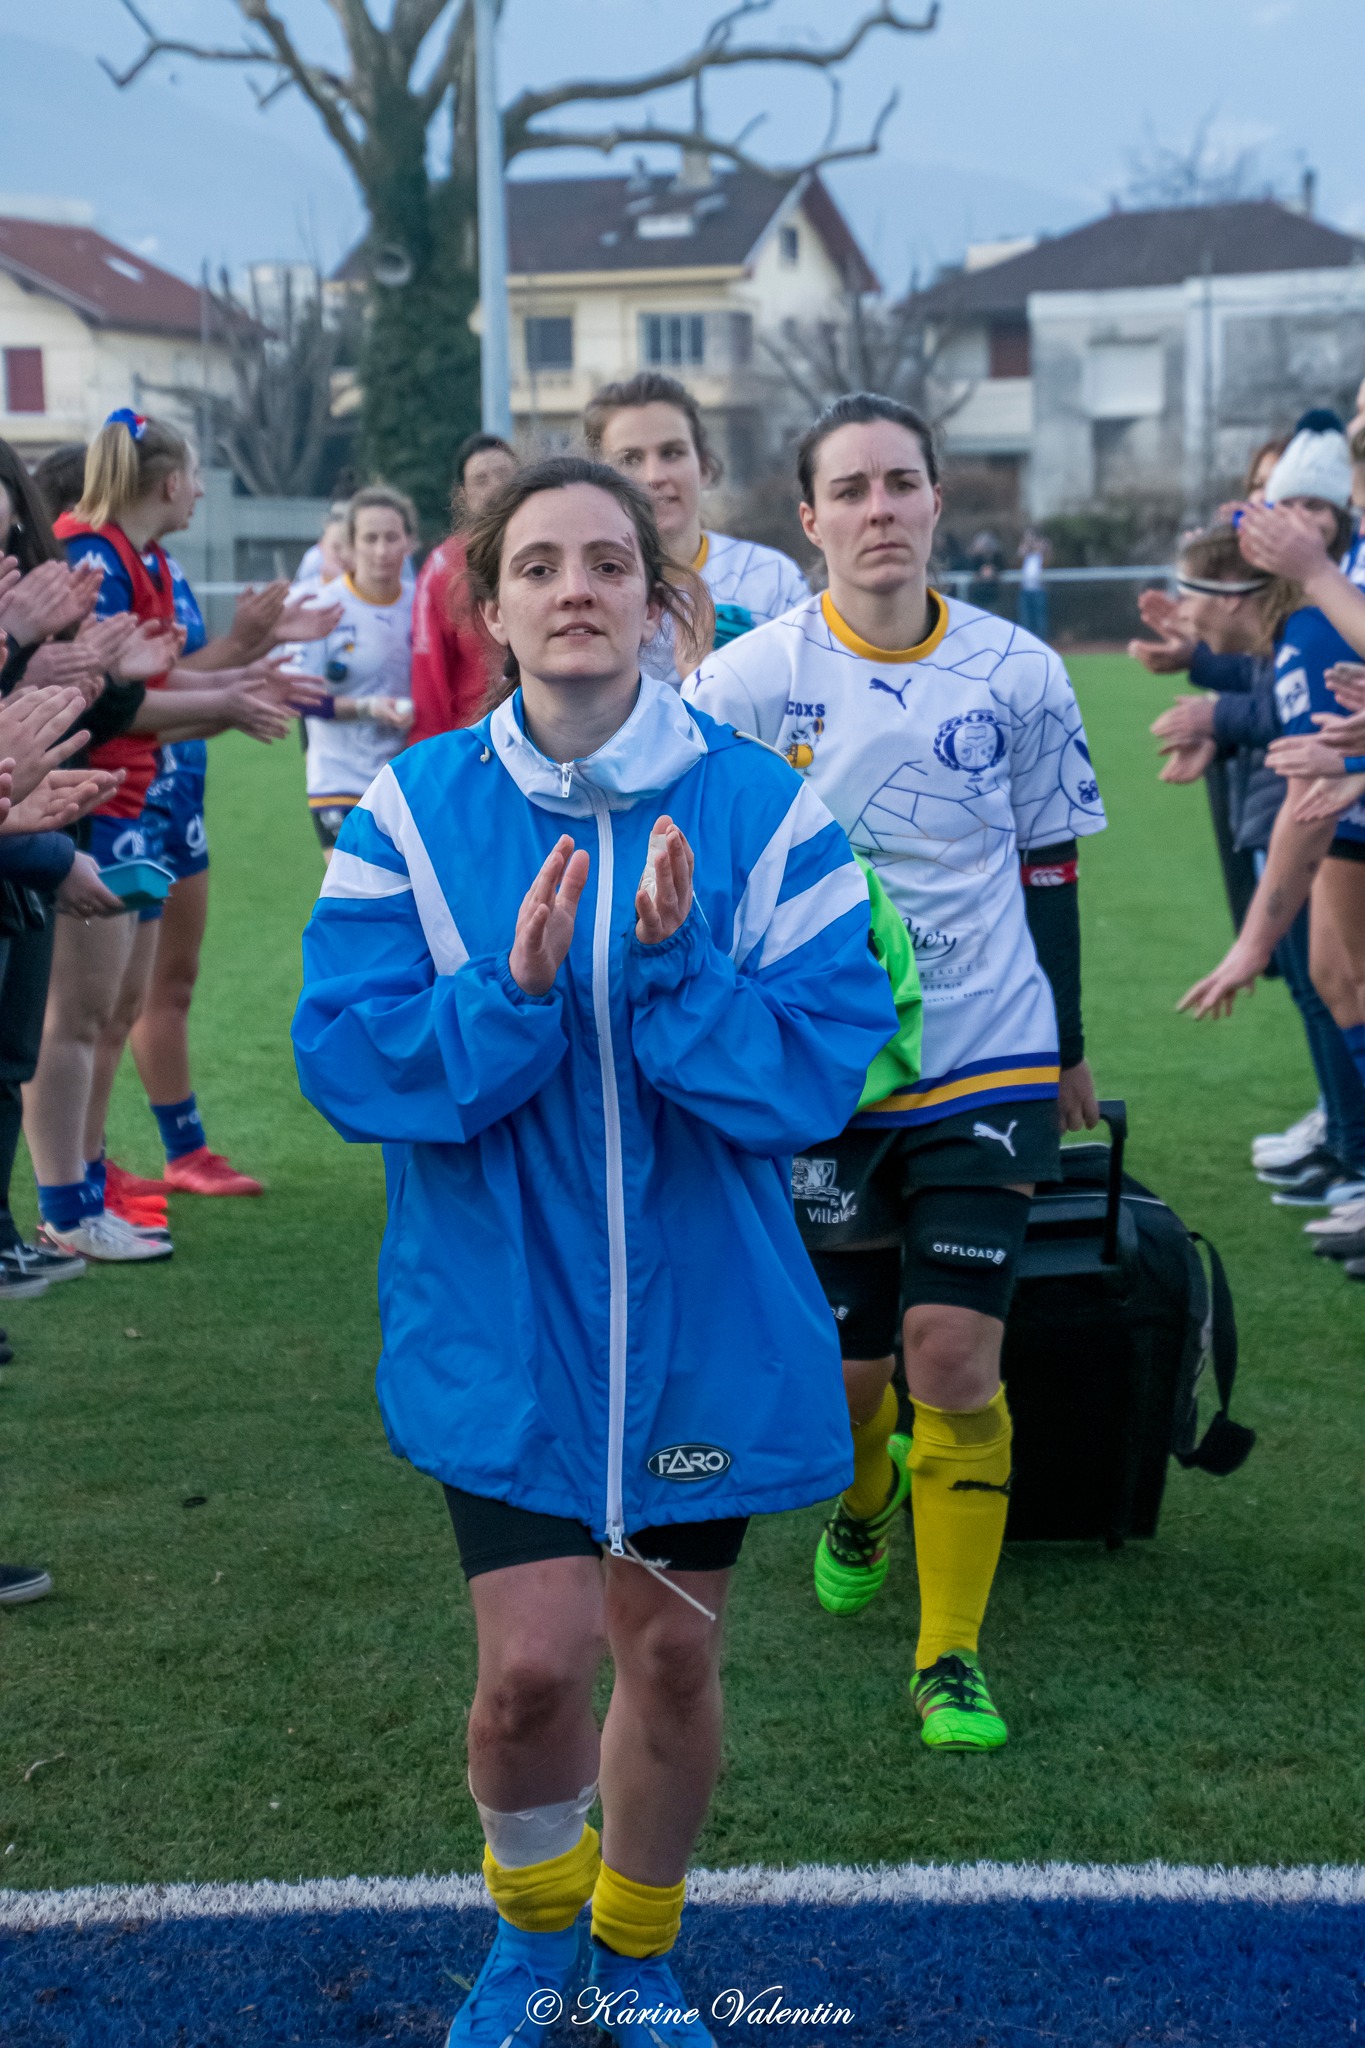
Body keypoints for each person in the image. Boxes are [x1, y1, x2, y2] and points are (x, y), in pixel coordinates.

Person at [293, 453, 897, 2045]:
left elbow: (819, 1070)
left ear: (656, 597)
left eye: (610, 565)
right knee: (533, 1676)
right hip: (496, 1310)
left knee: (672, 1670)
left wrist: (683, 975)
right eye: (542, 565)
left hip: (701, 1315)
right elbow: (348, 1060)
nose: (578, 589)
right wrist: (509, 998)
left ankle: (635, 1953)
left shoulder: (766, 816)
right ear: (490, 606)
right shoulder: (413, 814)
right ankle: (529, 1935)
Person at [686, 392, 1107, 1752]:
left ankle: (949, 1658)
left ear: (936, 504)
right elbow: (695, 857)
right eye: (851, 489)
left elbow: (1049, 866)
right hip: (828, 1071)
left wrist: (1072, 1043)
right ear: (808, 520)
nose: (880, 509)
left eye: (902, 484)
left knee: (953, 1359)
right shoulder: (744, 688)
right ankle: (865, 1498)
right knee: (851, 1382)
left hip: (987, 1049)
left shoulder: (1020, 672)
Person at [25, 410, 318, 1262]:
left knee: (112, 1008)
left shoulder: (137, 556)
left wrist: (244, 667)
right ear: (166, 482)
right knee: (75, 1018)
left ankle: (85, 1191)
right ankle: (70, 1206)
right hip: (99, 802)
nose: (199, 489)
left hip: (139, 803)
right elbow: (113, 703)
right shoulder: (92, 554)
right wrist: (228, 698)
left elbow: (159, 679)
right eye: (194, 474)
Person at [1144, 525, 1365, 1208]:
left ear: (1234, 596)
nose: (1181, 614)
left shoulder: (1309, 638)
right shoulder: (1297, 638)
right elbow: (1311, 790)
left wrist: (1249, 948)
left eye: (1188, 595)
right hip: (1341, 822)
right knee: (1337, 979)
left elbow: (1308, 802)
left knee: (1349, 980)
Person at [585, 371, 808, 680]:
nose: (654, 476)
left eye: (671, 453)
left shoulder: (773, 580)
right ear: (598, 479)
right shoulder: (582, 592)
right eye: (631, 459)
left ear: (703, 466)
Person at [296, 485, 417, 853]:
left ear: (409, 542)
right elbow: (299, 698)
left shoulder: (422, 602)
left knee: (408, 902)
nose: (381, 551)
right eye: (370, 538)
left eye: (392, 537)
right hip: (339, 779)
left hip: (406, 776)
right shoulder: (322, 606)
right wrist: (366, 708)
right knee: (351, 901)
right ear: (350, 546)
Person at [408, 433, 517, 743]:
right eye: (481, 480)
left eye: (504, 475)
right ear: (464, 496)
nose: (495, 486)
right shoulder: (444, 568)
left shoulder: (556, 550)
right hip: (477, 742)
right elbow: (430, 673)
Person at [1016, 528, 1050, 640]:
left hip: (1038, 591)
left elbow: (1046, 564)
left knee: (1039, 620)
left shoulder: (1041, 555)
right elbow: (1016, 564)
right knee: (1025, 620)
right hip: (1025, 591)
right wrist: (1023, 550)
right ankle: (1027, 641)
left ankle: (1041, 641)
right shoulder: (1025, 555)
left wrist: (1042, 550)